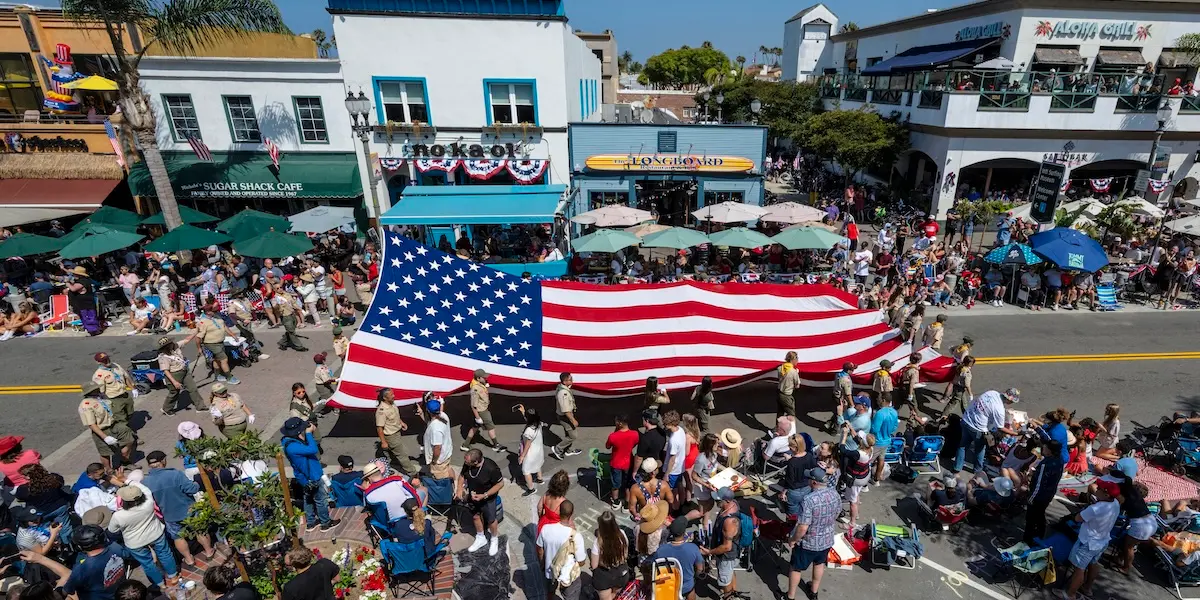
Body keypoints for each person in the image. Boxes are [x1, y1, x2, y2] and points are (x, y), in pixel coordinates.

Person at [142, 450, 210, 565]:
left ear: (149, 465)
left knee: (178, 537)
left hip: (168, 515)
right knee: (200, 530)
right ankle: (209, 552)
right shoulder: (175, 474)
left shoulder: (145, 482)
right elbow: (192, 489)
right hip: (189, 510)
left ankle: (189, 559)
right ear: (163, 461)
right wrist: (196, 483)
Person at [108, 485, 179, 588]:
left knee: (147, 564)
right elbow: (145, 489)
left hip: (135, 542)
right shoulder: (148, 503)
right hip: (155, 534)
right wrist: (127, 481)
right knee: (165, 554)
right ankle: (173, 577)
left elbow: (112, 530)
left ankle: (161, 584)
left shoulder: (118, 516)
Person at [784, 467, 840, 600]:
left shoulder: (808, 500)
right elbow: (837, 513)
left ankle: (790, 596)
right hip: (826, 540)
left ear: (814, 482)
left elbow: (803, 527)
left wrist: (793, 540)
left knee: (796, 568)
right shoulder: (835, 494)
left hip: (808, 542)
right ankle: (813, 592)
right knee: (819, 564)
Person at [1062, 480, 1121, 600]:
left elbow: (1078, 518)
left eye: (1099, 489)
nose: (1096, 489)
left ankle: (1071, 594)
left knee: (1079, 569)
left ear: (1106, 494)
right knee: (1093, 564)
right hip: (1102, 541)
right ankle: (1087, 588)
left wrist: (1091, 506)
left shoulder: (1096, 508)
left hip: (1088, 542)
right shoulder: (1115, 503)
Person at [280, 417, 339, 532]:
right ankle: (325, 523)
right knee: (320, 500)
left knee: (308, 500)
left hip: (303, 477)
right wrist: (308, 434)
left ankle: (311, 523)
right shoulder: (293, 447)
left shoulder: (288, 442)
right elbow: (313, 449)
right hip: (312, 476)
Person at [954, 388, 1020, 473]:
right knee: (980, 450)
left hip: (967, 419)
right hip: (978, 429)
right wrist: (1015, 433)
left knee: (963, 445)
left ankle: (957, 467)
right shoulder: (999, 409)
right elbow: (1000, 428)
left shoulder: (992, 393)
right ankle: (977, 471)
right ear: (1009, 400)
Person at [64, 525, 135, 600]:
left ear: (80, 546)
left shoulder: (81, 568)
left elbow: (68, 590)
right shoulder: (114, 546)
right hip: (121, 593)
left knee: (69, 596)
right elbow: (128, 554)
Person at [536, 499, 586, 600]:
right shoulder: (576, 536)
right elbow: (581, 562)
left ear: (559, 511)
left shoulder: (546, 529)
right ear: (571, 514)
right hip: (567, 576)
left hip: (550, 571)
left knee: (550, 592)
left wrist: (542, 563)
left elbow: (540, 549)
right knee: (571, 596)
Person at [701, 488, 746, 600]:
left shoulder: (729, 522)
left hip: (726, 557)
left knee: (725, 582)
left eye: (718, 500)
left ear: (727, 501)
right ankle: (733, 592)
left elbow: (727, 547)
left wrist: (710, 552)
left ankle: (728, 596)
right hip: (732, 554)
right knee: (730, 573)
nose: (716, 501)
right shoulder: (732, 504)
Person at [79, 384, 135, 471]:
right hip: (102, 429)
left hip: (115, 424)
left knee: (129, 440)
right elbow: (92, 424)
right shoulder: (86, 405)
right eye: (95, 389)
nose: (98, 390)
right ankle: (109, 470)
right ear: (90, 392)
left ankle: (125, 461)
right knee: (105, 452)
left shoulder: (101, 397)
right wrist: (105, 437)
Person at [458, 448, 503, 555]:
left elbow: (500, 484)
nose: (465, 463)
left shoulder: (491, 468)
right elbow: (462, 475)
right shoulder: (468, 464)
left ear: (476, 462)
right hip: (473, 495)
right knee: (475, 516)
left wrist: (485, 495)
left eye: (467, 462)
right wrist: (459, 488)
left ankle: (494, 539)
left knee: (491, 520)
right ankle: (480, 537)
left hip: (488, 498)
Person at [1024, 439, 1065, 545]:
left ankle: (1027, 540)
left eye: (1045, 448)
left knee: (1031, 519)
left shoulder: (1045, 464)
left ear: (1050, 451)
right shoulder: (1059, 460)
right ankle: (1039, 536)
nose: (1043, 449)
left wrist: (1031, 497)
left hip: (1038, 496)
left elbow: (1039, 483)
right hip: (1049, 494)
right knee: (1040, 515)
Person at [653, 517, 703, 600]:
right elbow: (700, 569)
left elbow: (655, 567)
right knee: (691, 589)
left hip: (668, 584)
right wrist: (695, 577)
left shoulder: (661, 550)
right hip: (686, 585)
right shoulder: (693, 548)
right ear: (684, 533)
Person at [374, 388, 418, 476]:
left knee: (392, 452)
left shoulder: (392, 403)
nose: (394, 396)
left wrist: (401, 423)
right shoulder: (382, 411)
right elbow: (379, 428)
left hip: (396, 432)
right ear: (385, 398)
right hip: (391, 436)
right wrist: (383, 442)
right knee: (402, 455)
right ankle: (413, 473)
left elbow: (395, 415)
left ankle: (391, 464)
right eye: (391, 395)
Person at [589, 511, 632, 600]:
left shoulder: (598, 542)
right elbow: (626, 552)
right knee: (616, 594)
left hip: (604, 575)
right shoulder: (622, 534)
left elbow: (594, 565)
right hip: (621, 572)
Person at [462, 369, 506, 453]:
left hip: (481, 410)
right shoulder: (475, 389)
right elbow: (473, 405)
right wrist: (478, 417)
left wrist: (485, 384)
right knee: (491, 427)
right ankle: (496, 445)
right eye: (484, 377)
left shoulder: (480, 384)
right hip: (482, 411)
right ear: (478, 378)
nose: (486, 378)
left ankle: (465, 444)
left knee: (475, 427)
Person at [195, 303, 240, 385]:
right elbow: (198, 337)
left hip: (220, 342)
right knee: (224, 359)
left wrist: (233, 335)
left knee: (217, 360)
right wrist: (199, 348)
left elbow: (224, 326)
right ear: (208, 312)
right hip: (211, 344)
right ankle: (229, 377)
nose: (217, 312)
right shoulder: (202, 322)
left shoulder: (217, 318)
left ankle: (217, 375)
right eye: (214, 311)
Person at [157, 335, 203, 415]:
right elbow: (166, 371)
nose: (172, 344)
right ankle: (166, 409)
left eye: (171, 342)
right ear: (166, 347)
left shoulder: (175, 346)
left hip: (184, 371)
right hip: (174, 375)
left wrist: (196, 331)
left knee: (193, 388)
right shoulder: (163, 357)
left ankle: (201, 407)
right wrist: (174, 382)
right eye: (170, 344)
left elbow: (187, 339)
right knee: (174, 393)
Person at [91, 352, 134, 428]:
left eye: (107, 358)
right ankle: (126, 432)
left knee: (130, 413)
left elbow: (126, 377)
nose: (107, 361)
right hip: (114, 399)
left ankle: (126, 427)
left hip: (125, 395)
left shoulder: (116, 366)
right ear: (98, 362)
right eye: (104, 360)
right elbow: (100, 392)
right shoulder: (98, 375)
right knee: (121, 419)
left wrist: (133, 389)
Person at [605, 415, 639, 510]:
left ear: (619, 423)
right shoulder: (635, 434)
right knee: (628, 484)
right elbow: (635, 443)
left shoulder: (613, 436)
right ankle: (627, 504)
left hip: (616, 463)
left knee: (616, 484)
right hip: (629, 462)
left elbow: (607, 446)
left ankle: (616, 502)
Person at [517, 406, 546, 496]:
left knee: (526, 470)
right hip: (539, 450)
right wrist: (523, 412)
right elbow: (530, 420)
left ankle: (531, 489)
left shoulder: (529, 431)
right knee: (538, 464)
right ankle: (539, 479)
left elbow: (527, 444)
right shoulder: (539, 424)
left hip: (531, 453)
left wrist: (522, 456)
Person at [551, 372, 582, 459]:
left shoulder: (562, 387)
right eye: (570, 379)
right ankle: (558, 449)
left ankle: (569, 450)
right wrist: (573, 420)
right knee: (573, 436)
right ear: (564, 382)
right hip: (565, 417)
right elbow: (565, 410)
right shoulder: (563, 393)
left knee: (568, 434)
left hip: (565, 415)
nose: (572, 381)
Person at [422, 397, 454, 479]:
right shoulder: (443, 415)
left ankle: (449, 485)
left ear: (428, 411)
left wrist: (434, 461)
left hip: (440, 460)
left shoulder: (435, 429)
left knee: (441, 479)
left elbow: (437, 448)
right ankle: (453, 481)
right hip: (447, 452)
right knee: (448, 468)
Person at [777, 351, 800, 419]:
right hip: (787, 396)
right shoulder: (793, 372)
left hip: (779, 394)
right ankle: (791, 426)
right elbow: (797, 385)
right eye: (797, 358)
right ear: (792, 359)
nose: (797, 360)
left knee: (780, 414)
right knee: (791, 415)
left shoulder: (780, 368)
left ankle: (778, 426)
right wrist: (796, 373)